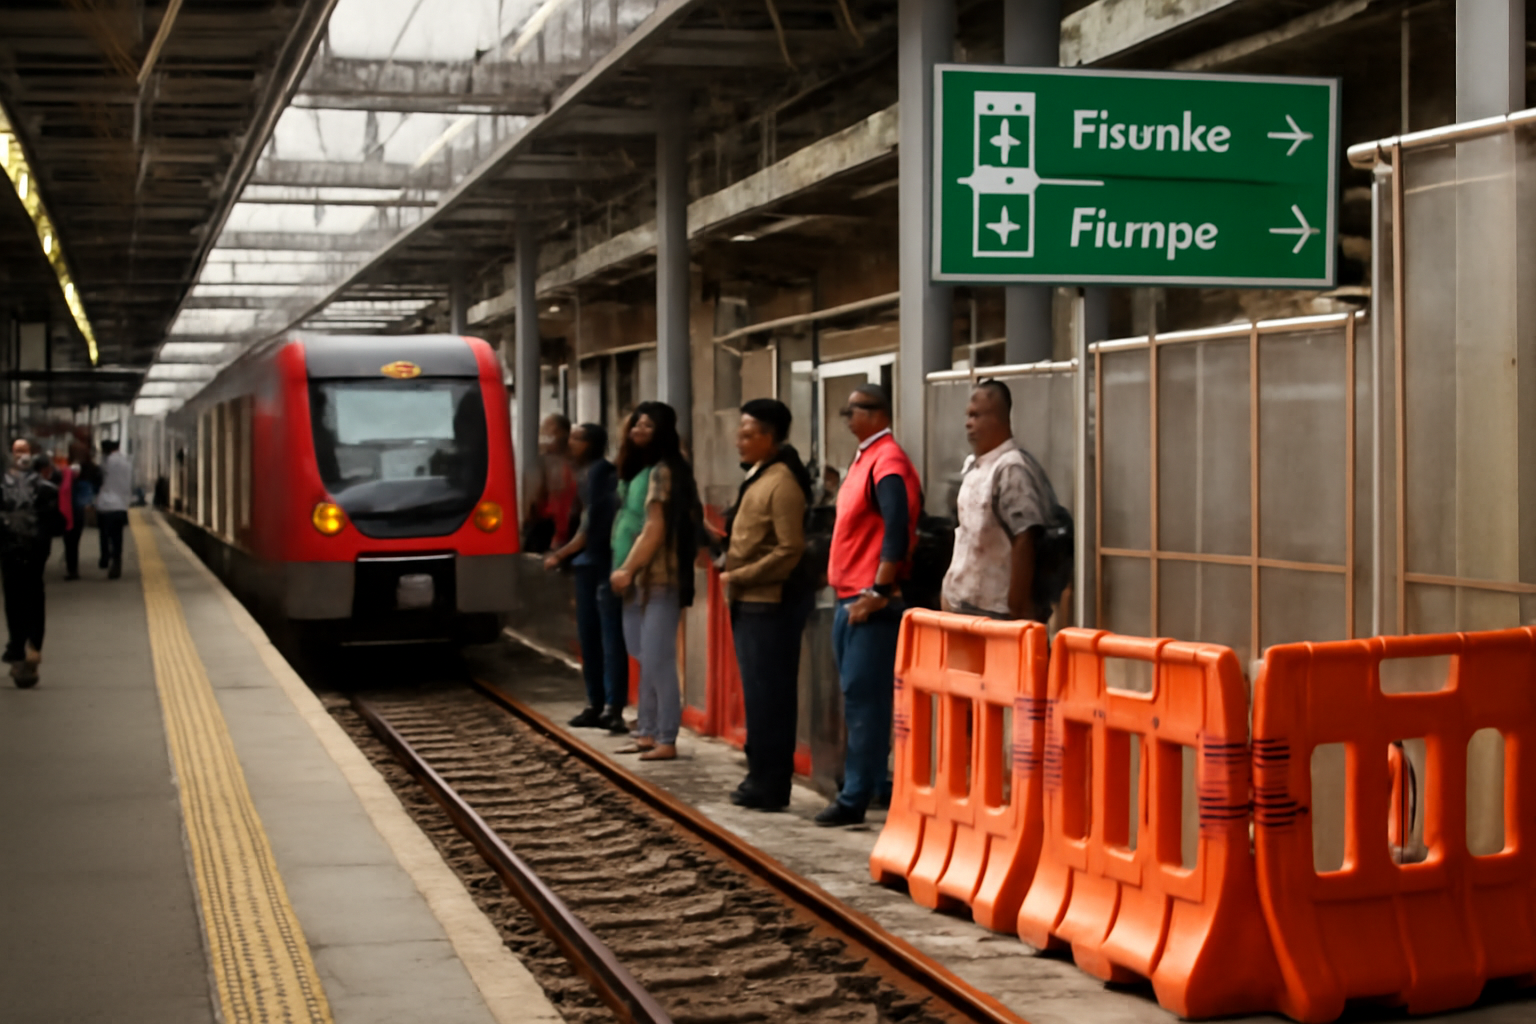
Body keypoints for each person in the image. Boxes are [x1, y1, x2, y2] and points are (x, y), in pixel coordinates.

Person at [816, 383, 921, 827]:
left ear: (877, 414)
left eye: (853, 410)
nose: (847, 418)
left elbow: (896, 527)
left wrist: (879, 590)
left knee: (864, 702)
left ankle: (855, 796)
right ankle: (874, 783)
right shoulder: (867, 459)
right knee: (860, 698)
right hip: (850, 596)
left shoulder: (888, 461)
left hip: (868, 600)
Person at [718, 398, 813, 811]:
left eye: (747, 434)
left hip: (769, 604)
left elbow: (790, 548)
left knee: (770, 697)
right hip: (749, 601)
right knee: (758, 696)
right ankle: (758, 775)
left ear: (769, 438)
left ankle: (771, 783)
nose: (739, 441)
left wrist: (740, 575)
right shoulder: (760, 476)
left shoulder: (782, 483)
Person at [609, 402, 700, 762]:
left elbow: (655, 527)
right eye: (636, 424)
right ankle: (646, 731)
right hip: (639, 580)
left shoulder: (665, 472)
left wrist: (627, 568)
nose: (638, 430)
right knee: (645, 654)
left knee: (658, 659)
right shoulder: (642, 471)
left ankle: (666, 736)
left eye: (647, 425)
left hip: (660, 577)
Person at [942, 380, 1067, 622]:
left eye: (976, 415)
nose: (968, 423)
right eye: (968, 415)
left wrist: (1016, 608)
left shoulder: (1011, 468)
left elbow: (1025, 537)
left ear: (998, 419)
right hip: (965, 605)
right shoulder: (975, 465)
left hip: (996, 611)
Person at [544, 423, 629, 734]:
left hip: (599, 563)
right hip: (589, 563)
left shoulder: (598, 474)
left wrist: (561, 554)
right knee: (592, 637)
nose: (570, 443)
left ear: (592, 444)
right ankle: (598, 702)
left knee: (606, 637)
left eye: (577, 438)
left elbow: (590, 524)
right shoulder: (584, 474)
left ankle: (609, 705)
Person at [1, 438, 64, 687]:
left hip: (10, 552)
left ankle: (17, 649)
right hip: (36, 553)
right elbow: (57, 524)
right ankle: (34, 646)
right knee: (35, 595)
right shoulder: (46, 488)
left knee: (14, 599)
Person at [524, 413, 578, 553]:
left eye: (550, 429)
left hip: (554, 525)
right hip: (542, 521)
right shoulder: (545, 459)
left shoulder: (566, 463)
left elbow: (562, 500)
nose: (545, 433)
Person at [96, 438, 132, 579]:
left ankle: (105, 558)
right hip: (121, 506)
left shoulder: (106, 462)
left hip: (105, 505)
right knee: (117, 537)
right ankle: (117, 561)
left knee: (104, 535)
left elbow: (99, 478)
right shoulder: (126, 462)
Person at [65, 441, 99, 580]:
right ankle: (73, 568)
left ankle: (72, 569)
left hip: (68, 508)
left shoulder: (68, 468)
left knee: (69, 540)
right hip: (81, 508)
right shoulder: (92, 468)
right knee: (74, 539)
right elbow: (97, 484)